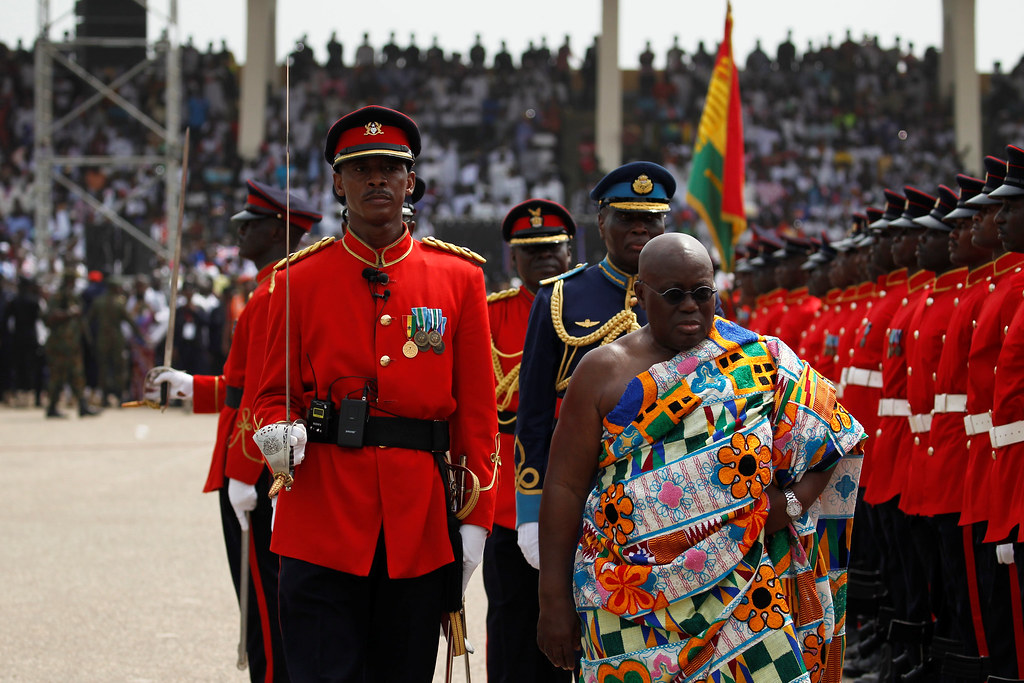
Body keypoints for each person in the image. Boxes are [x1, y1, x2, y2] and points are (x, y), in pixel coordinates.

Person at [536, 233, 864, 682]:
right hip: (624, 597)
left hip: (745, 591)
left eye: (703, 293)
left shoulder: (760, 360)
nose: (690, 306)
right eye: (673, 295)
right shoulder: (601, 371)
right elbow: (564, 486)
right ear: (639, 294)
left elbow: (836, 440)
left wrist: (785, 507)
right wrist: (552, 598)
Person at [250, 105, 497, 682]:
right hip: (320, 517)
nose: (376, 180)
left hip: (417, 523)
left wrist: (476, 520)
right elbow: (271, 394)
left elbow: (478, 414)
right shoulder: (296, 280)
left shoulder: (459, 277)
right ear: (338, 182)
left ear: (411, 180)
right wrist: (274, 428)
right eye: (360, 169)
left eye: (390, 167)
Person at [143, 179, 322, 682]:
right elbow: (240, 386)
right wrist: (188, 388)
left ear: (279, 230)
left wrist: (245, 471)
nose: (239, 231)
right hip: (259, 462)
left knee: (265, 605)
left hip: (256, 469)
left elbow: (265, 396)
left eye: (251, 224)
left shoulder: (273, 292)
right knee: (264, 599)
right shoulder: (269, 287)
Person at [515, 161, 676, 569]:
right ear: (601, 222)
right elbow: (532, 414)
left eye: (651, 219)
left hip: (673, 483)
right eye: (627, 218)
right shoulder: (561, 297)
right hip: (582, 485)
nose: (640, 229)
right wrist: (530, 510)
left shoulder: (688, 296)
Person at [484, 199, 574, 682]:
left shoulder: (589, 310)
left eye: (552, 249)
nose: (544, 258)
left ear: (570, 251)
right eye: (531, 250)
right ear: (513, 260)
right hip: (507, 494)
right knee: (511, 622)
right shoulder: (489, 315)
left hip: (577, 483)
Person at [43, 272, 99, 418]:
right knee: (57, 377)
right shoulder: (58, 297)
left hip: (73, 344)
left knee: (77, 375)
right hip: (59, 345)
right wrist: (68, 313)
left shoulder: (74, 297)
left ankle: (82, 405)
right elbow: (48, 317)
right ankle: (52, 407)